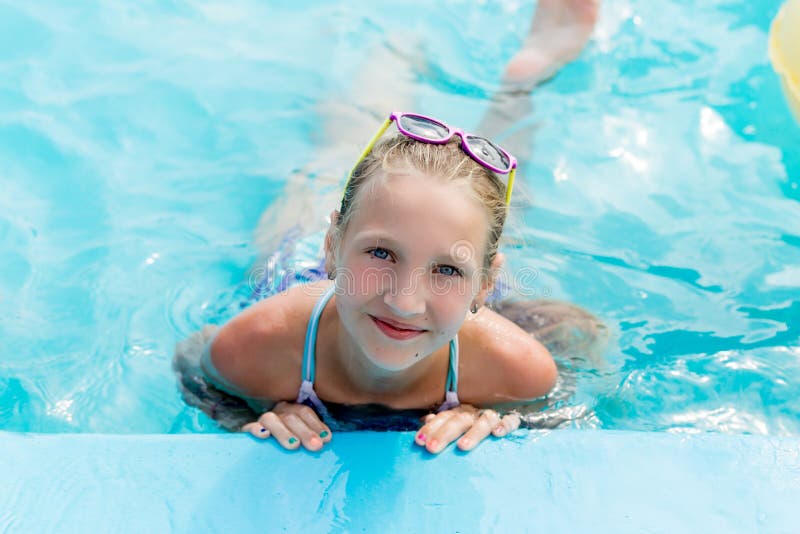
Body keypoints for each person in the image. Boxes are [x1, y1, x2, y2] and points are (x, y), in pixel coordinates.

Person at [173, 0, 604, 454]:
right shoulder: (257, 346)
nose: (403, 301)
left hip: (458, 317)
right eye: (380, 253)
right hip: (298, 266)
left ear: (485, 284)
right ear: (334, 248)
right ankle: (392, 50)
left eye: (448, 270)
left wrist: (498, 418)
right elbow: (196, 369)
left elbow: (559, 410)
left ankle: (522, 84)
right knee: (340, 153)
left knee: (487, 201)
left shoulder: (515, 373)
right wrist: (254, 415)